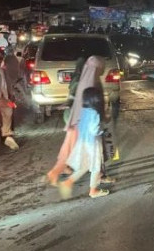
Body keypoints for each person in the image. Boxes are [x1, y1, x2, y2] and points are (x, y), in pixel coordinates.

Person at [45, 55, 108, 186]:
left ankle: (56, 173)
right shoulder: (91, 82)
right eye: (101, 67)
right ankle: (95, 178)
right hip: (82, 124)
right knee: (79, 151)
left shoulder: (86, 79)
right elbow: (93, 106)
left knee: (70, 149)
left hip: (77, 121)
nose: (102, 70)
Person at [59, 87, 109, 199]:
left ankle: (68, 182)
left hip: (82, 142)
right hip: (93, 144)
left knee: (85, 165)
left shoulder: (82, 111)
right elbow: (94, 130)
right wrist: (102, 130)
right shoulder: (95, 114)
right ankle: (93, 190)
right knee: (96, 166)